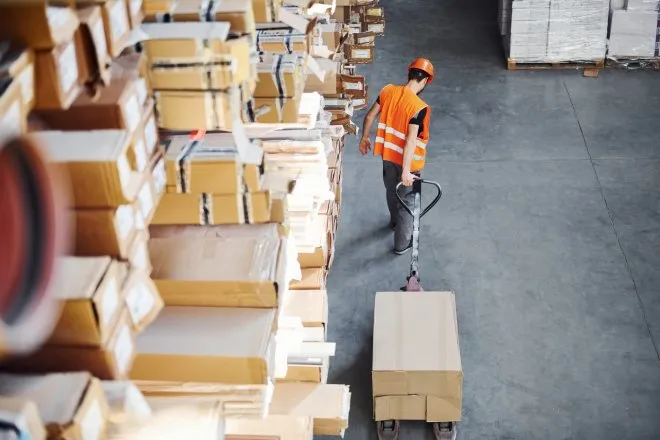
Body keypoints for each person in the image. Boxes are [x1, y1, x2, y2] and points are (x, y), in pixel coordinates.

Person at [359, 58, 434, 255]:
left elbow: (369, 116)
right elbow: (411, 140)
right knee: (408, 201)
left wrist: (365, 138)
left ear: (409, 74)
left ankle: (394, 222)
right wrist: (407, 171)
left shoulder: (387, 91)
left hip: (387, 156)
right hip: (409, 163)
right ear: (425, 81)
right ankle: (401, 244)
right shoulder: (419, 107)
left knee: (391, 190)